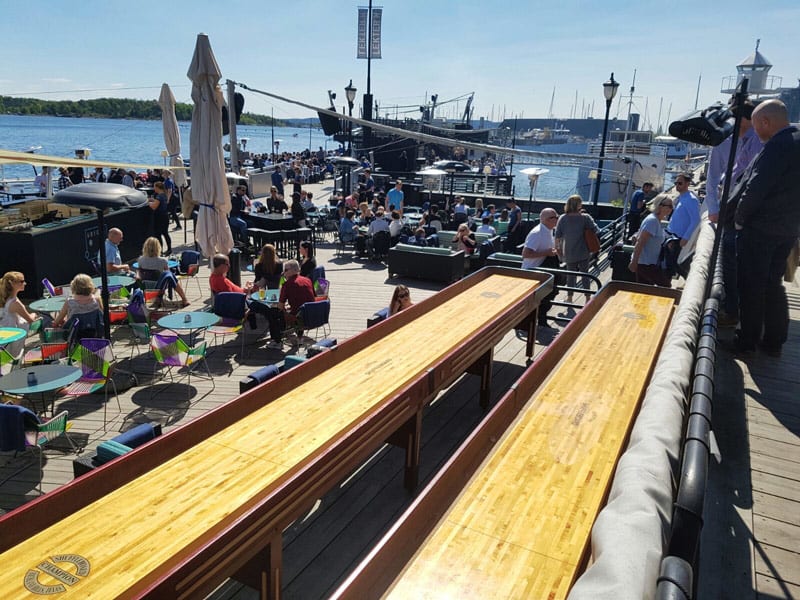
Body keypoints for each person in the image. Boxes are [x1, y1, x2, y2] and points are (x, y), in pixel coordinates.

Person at [731, 99, 800, 357]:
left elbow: (755, 188)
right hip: (788, 229)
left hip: (760, 230)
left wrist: (739, 219)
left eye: (757, 124)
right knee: (773, 284)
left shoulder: (777, 147)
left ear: (766, 122)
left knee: (751, 286)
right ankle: (774, 340)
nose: (756, 131)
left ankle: (746, 340)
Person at [707, 100, 763, 326]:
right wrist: (713, 209)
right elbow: (713, 178)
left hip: (752, 215)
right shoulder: (724, 143)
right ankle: (735, 309)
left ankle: (739, 314)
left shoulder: (761, 142)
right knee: (730, 261)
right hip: (730, 211)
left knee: (743, 265)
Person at [555, 195, 598, 302]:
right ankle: (588, 297)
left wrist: (558, 249)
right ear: (578, 205)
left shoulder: (563, 218)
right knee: (585, 274)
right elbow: (596, 230)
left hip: (569, 251)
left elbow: (557, 236)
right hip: (584, 250)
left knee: (571, 275)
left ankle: (570, 297)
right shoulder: (585, 217)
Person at [521, 208, 560, 326]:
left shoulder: (549, 231)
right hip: (533, 271)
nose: (557, 219)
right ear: (546, 219)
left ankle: (541, 319)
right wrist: (546, 253)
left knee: (548, 295)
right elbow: (526, 254)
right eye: (555, 217)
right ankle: (531, 322)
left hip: (543, 269)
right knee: (538, 298)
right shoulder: (537, 233)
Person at [628, 194, 674, 287]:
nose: (671, 208)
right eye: (668, 206)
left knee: (644, 291)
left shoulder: (658, 220)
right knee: (666, 287)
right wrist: (634, 262)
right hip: (644, 264)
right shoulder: (652, 221)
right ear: (660, 206)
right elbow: (640, 242)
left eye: (672, 206)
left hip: (650, 263)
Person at [136, 237, 189, 306]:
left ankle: (183, 299)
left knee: (170, 275)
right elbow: (167, 272)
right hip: (159, 286)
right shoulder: (162, 260)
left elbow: (139, 271)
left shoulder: (140, 260)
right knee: (170, 275)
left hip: (146, 285)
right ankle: (184, 298)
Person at [0, 272, 37, 357]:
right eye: (21, 281)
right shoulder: (15, 303)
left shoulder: (4, 298)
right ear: (13, 284)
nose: (25, 283)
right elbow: (30, 319)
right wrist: (34, 314)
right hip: (10, 338)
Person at [277, 259, 315, 341]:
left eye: (285, 270)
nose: (284, 273)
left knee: (275, 313)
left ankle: (277, 341)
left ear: (293, 270)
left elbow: (280, 306)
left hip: (299, 318)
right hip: (313, 315)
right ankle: (299, 337)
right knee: (296, 309)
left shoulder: (287, 284)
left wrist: (284, 309)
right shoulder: (307, 280)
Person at [148, 181, 172, 255]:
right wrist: (152, 200)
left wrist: (148, 203)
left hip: (159, 218)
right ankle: (169, 249)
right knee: (165, 233)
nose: (154, 189)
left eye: (155, 187)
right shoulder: (164, 195)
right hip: (165, 216)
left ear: (158, 188)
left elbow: (154, 207)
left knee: (158, 234)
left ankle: (160, 251)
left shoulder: (159, 196)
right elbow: (158, 202)